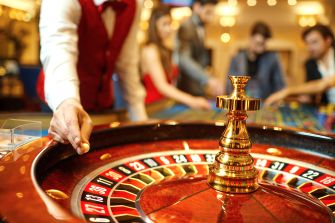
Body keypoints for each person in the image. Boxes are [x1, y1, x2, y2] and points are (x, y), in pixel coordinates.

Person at [37, 0, 148, 154]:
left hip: (103, 105)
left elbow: (126, 62)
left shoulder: (135, 4)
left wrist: (142, 124)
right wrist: (67, 102)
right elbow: (58, 49)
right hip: (59, 105)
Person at [141, 5, 211, 110]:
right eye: (164, 24)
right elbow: (162, 86)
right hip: (153, 107)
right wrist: (191, 100)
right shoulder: (150, 50)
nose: (168, 29)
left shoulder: (165, 50)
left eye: (170, 24)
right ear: (154, 26)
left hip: (166, 104)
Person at [176, 0, 224, 97]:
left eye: (212, 13)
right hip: (187, 90)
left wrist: (210, 74)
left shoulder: (201, 28)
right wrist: (207, 79)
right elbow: (184, 60)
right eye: (208, 12)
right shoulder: (187, 26)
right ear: (197, 7)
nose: (211, 17)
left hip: (197, 89)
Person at [227, 21, 285, 99]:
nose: (261, 48)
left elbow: (279, 85)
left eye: (263, 44)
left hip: (264, 104)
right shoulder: (236, 58)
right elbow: (229, 85)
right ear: (250, 39)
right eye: (258, 43)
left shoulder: (272, 59)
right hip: (241, 103)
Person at [301, 24, 335, 105]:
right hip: (329, 110)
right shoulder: (310, 64)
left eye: (314, 42)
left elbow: (322, 85)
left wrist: (287, 91)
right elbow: (310, 91)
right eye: (307, 43)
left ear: (328, 40)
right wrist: (308, 97)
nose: (310, 48)